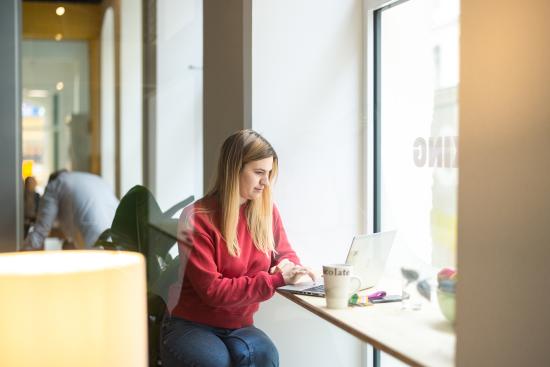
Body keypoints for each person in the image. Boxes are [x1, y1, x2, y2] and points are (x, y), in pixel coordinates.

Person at [161, 130, 314, 367]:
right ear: (234, 170)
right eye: (259, 173)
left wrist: (290, 267)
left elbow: (283, 253)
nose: (266, 182)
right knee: (215, 362)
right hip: (190, 324)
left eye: (269, 173)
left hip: (240, 325)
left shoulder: (265, 211)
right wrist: (276, 280)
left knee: (265, 355)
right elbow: (212, 291)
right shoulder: (196, 217)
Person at [23, 170, 119, 251]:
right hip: (121, 242)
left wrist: (18, 253)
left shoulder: (55, 185)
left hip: (96, 243)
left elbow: (40, 233)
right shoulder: (94, 179)